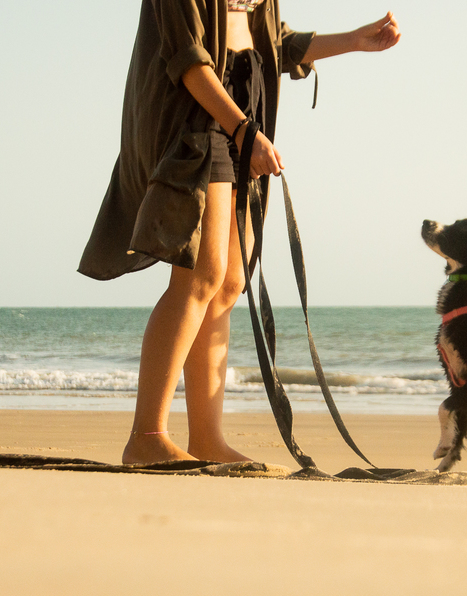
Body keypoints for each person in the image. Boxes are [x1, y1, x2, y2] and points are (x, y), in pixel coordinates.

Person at [78, 1, 400, 465]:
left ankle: (206, 438)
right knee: (200, 276)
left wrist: (352, 40)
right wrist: (244, 132)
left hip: (243, 110)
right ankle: (146, 435)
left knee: (227, 284)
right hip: (193, 116)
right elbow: (188, 59)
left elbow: (272, 41)